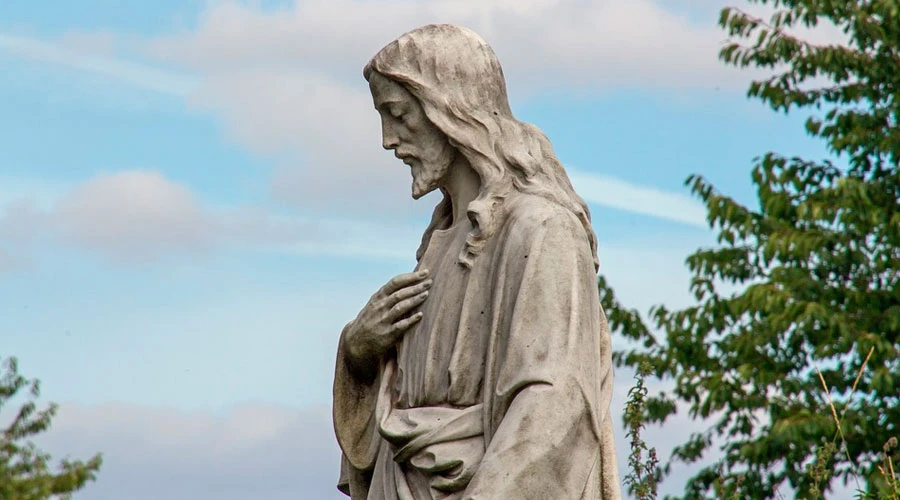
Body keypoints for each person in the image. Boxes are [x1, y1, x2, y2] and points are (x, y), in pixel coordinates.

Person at [333, 24, 620, 500]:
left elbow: (554, 407)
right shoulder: (438, 242)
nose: (387, 139)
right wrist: (358, 355)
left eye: (398, 114)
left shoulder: (541, 228)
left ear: (450, 109)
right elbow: (396, 416)